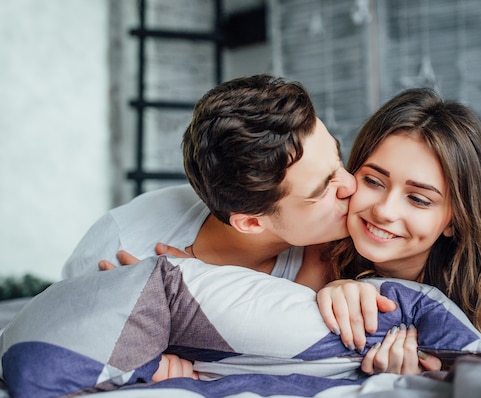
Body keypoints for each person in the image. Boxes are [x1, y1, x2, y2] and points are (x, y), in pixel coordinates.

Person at [62, 74, 356, 291]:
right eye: (323, 189)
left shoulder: (352, 233)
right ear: (251, 223)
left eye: (338, 158)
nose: (352, 185)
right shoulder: (123, 248)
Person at [316, 87, 481, 374]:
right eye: (373, 181)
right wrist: (334, 288)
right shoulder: (317, 256)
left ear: (454, 221)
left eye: (419, 199)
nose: (384, 211)